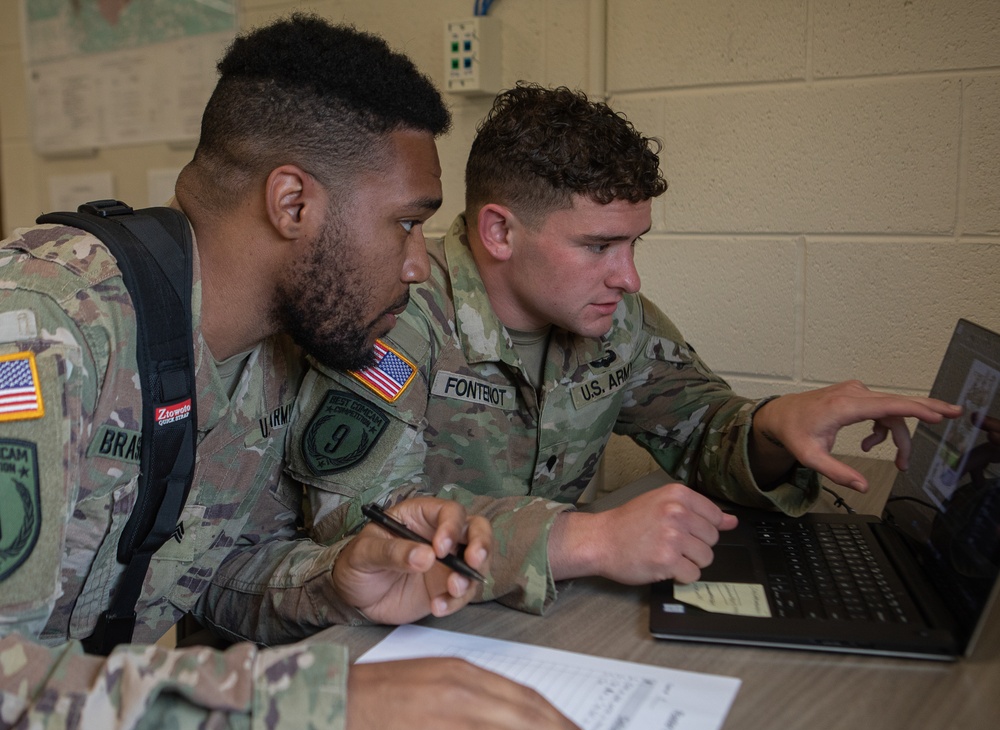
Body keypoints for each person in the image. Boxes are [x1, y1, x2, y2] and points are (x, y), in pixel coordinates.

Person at [0, 27, 617, 730]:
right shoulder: (44, 336)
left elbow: (206, 571)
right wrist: (305, 717)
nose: (421, 262)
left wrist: (334, 582)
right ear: (292, 203)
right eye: (406, 221)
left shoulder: (274, 350)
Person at [285, 83, 963, 614]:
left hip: (529, 626)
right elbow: (354, 522)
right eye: (599, 246)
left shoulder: (615, 319)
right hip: (386, 647)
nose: (629, 278)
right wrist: (587, 539)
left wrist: (773, 429)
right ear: (499, 232)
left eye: (634, 244)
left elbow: (705, 433)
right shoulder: (394, 311)